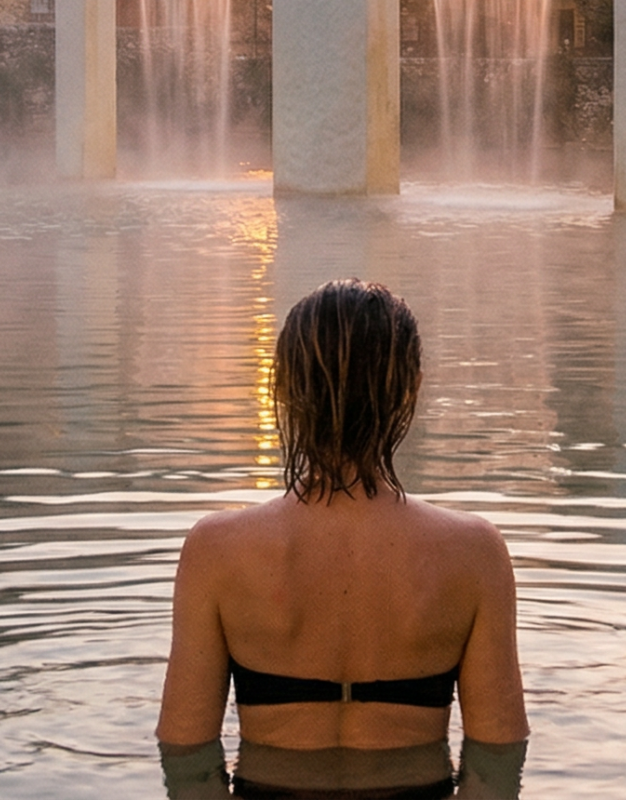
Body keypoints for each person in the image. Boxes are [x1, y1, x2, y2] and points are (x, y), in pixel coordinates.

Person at [157, 279, 527, 798]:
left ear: (283, 388)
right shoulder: (473, 554)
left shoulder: (217, 552)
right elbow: (496, 764)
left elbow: (187, 759)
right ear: (411, 388)